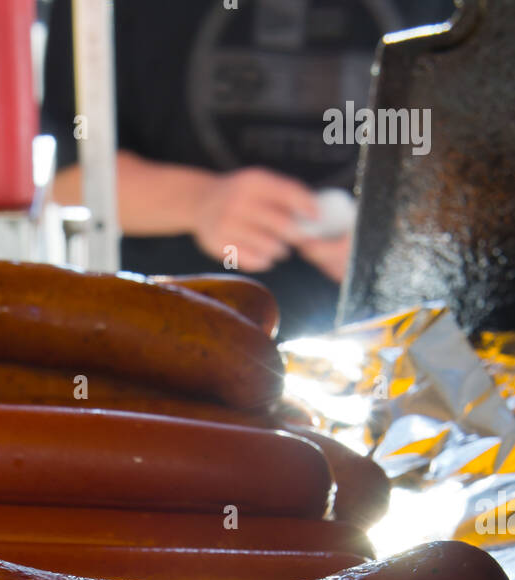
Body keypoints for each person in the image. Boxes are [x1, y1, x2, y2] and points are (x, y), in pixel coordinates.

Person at [42, 0, 455, 337]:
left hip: (400, 352)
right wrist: (200, 201)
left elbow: (491, 171)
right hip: (167, 343)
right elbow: (69, 179)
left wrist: (406, 242)